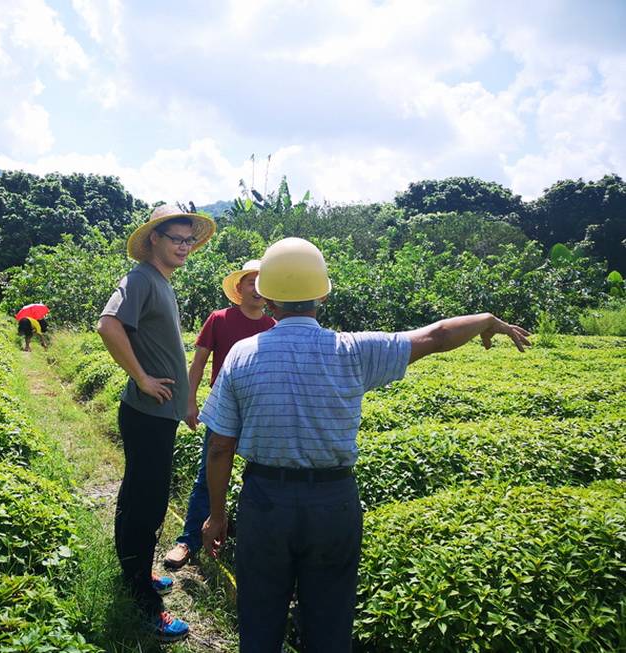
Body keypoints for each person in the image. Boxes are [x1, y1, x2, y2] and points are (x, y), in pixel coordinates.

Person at [200, 237, 531, 652]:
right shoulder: (353, 350)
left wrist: (216, 516)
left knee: (260, 615)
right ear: (322, 293)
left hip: (266, 502)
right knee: (330, 617)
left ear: (266, 295)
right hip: (334, 502)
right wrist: (486, 319)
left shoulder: (242, 356)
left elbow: (219, 447)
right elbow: (437, 335)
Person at [97, 204, 216, 642]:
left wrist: (183, 399)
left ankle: (135, 576)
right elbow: (108, 325)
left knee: (137, 498)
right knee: (145, 505)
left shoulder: (160, 282)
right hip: (146, 413)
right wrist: (142, 377)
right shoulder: (141, 279)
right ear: (154, 241)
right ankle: (146, 606)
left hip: (158, 413)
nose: (185, 247)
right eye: (176, 239)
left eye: (189, 240)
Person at [163, 259, 276, 570]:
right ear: (238, 288)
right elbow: (198, 363)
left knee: (260, 473)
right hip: (222, 406)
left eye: (263, 283)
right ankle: (188, 540)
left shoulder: (272, 327)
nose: (257, 289)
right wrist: (190, 402)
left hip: (256, 409)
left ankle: (248, 541)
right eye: (251, 282)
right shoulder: (219, 319)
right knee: (209, 474)